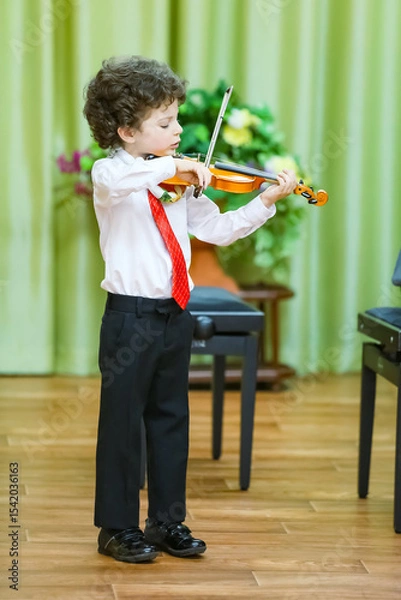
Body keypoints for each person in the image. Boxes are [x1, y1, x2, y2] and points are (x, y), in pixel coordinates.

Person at [83, 55, 297, 564]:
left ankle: (165, 522)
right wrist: (172, 167)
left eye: (177, 118)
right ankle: (115, 528)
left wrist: (263, 202)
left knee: (170, 419)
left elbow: (217, 230)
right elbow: (122, 182)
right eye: (165, 122)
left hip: (174, 314)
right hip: (129, 317)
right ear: (126, 131)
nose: (179, 130)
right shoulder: (111, 174)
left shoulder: (181, 184)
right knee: (122, 425)